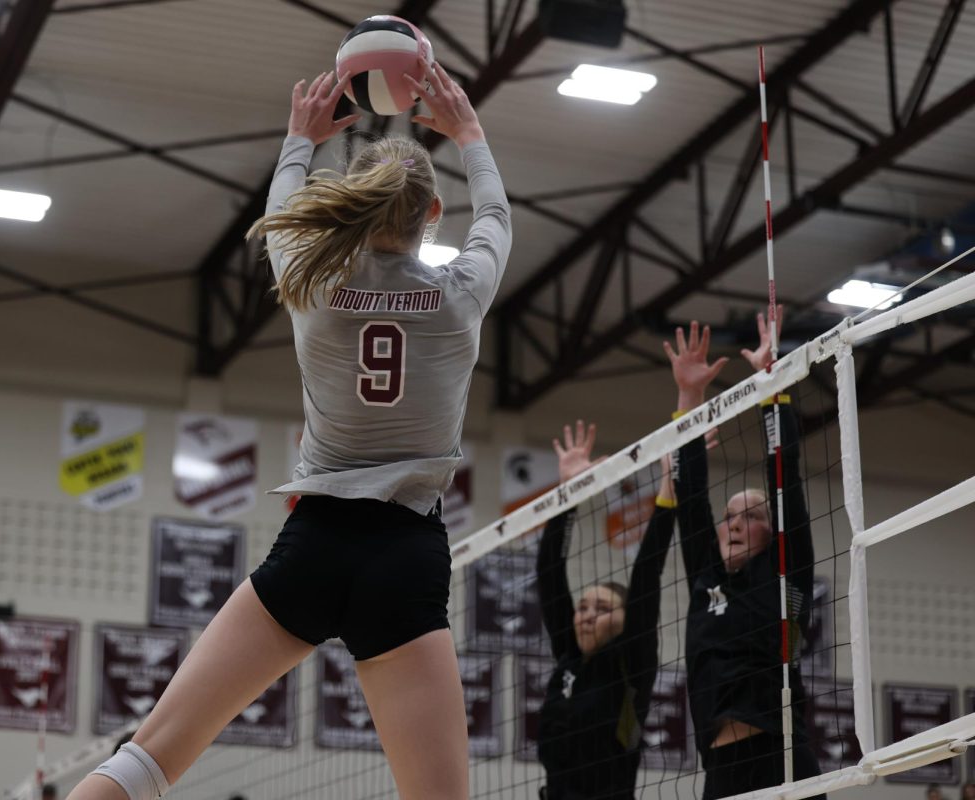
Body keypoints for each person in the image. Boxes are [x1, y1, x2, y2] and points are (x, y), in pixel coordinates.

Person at [67, 58, 509, 800]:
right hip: (405, 557)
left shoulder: (312, 282)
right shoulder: (462, 294)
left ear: (358, 209)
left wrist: (299, 139)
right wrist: (469, 133)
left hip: (316, 545)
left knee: (147, 761)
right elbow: (496, 219)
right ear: (433, 217)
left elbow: (282, 210)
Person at [664, 310, 820, 800]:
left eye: (751, 516)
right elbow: (690, 499)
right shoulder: (706, 578)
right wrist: (690, 396)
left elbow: (785, 477)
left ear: (772, 535)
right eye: (730, 515)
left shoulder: (784, 572)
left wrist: (770, 387)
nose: (734, 522)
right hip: (722, 772)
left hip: (784, 759)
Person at [535, 421, 678, 800]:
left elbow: (646, 577)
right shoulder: (569, 655)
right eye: (582, 606)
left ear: (624, 621)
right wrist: (569, 494)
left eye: (601, 608)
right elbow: (549, 571)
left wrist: (667, 498)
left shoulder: (632, 663)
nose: (586, 614)